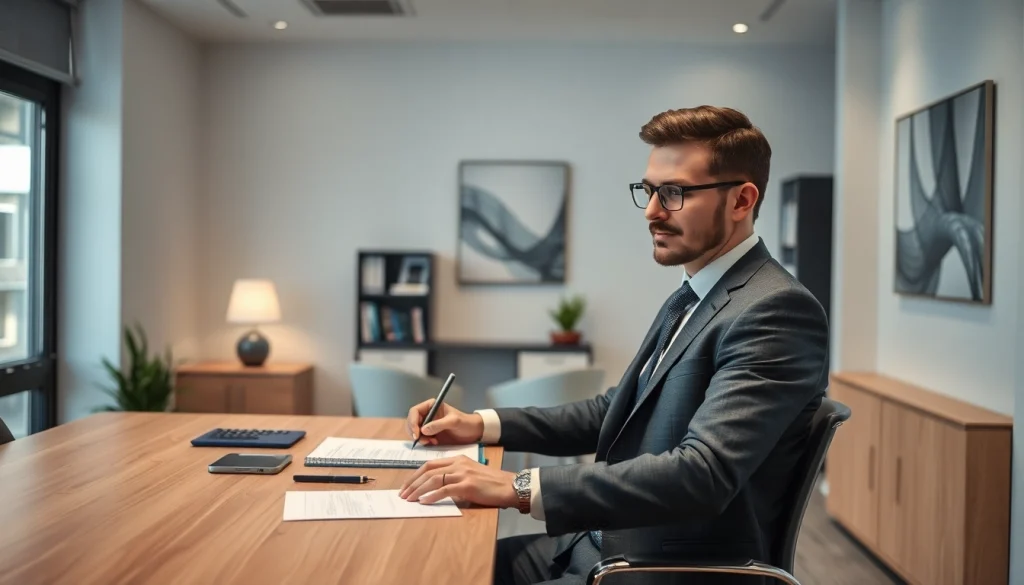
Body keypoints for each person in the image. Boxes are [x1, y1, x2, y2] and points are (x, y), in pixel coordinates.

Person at [399, 105, 829, 585]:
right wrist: (480, 424)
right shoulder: (695, 295)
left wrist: (517, 485)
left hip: (657, 570)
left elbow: (702, 473)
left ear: (741, 200)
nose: (652, 212)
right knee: (440, 565)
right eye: (649, 191)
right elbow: (615, 411)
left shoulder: (776, 310)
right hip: (603, 542)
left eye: (674, 193)